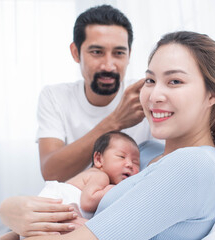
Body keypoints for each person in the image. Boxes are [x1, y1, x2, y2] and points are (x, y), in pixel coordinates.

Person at [0, 30, 215, 239]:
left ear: (213, 94)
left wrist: (13, 215)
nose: (154, 96)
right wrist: (12, 213)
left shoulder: (192, 166)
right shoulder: (142, 152)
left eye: (175, 81)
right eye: (151, 80)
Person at [37, 4, 152, 182]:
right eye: (97, 52)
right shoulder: (55, 96)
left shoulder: (145, 95)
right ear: (76, 53)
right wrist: (115, 121)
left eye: (119, 53)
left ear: (129, 55)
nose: (108, 65)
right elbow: (51, 172)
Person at [2, 131, 140, 239]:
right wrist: (114, 189)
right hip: (56, 212)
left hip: (40, 221)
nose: (129, 164)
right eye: (121, 157)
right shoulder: (99, 176)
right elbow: (88, 201)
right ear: (98, 159)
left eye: (136, 163)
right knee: (92, 230)